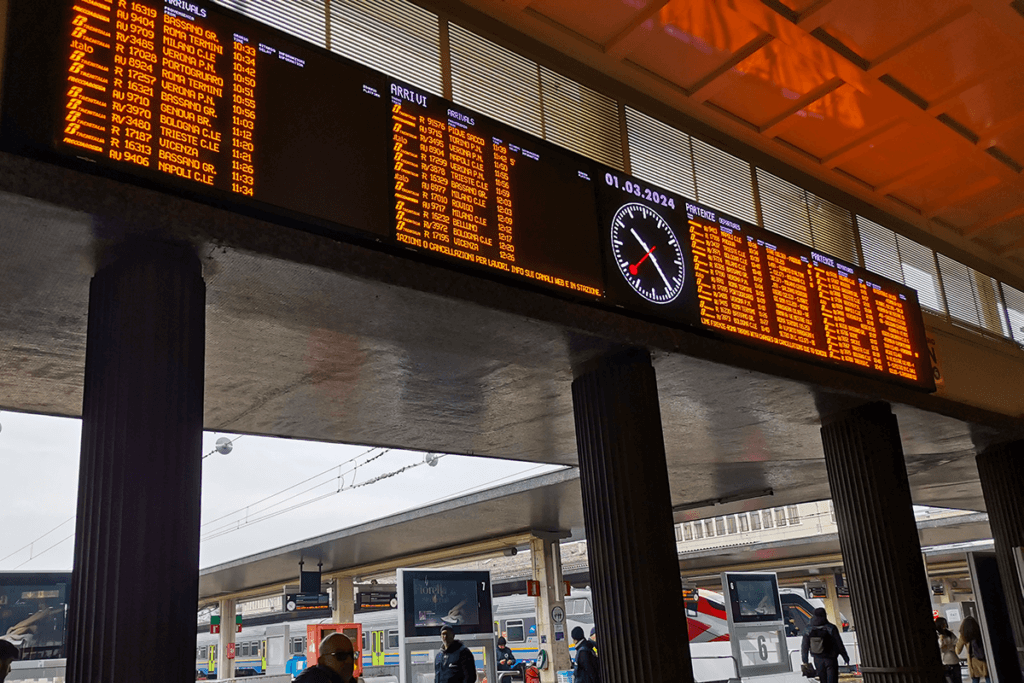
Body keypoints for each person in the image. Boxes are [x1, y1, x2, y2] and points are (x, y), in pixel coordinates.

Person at [801, 608, 849, 683]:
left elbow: (804, 646)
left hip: (817, 659)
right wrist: (845, 657)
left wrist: (805, 661)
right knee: (832, 680)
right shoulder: (831, 628)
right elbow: (839, 644)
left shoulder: (808, 629)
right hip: (831, 659)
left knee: (823, 680)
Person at [293, 633, 360, 683]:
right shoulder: (312, 680)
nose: (349, 660)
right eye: (340, 655)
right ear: (322, 661)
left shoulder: (347, 680)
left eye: (351, 655)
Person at [956, 616, 989, 683]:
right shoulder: (980, 632)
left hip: (973, 661)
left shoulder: (963, 636)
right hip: (983, 659)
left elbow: (957, 651)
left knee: (975, 680)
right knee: (988, 677)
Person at [936, 617, 961, 683]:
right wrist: (942, 641)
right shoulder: (937, 634)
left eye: (945, 623)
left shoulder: (949, 633)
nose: (945, 625)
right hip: (945, 662)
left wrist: (949, 647)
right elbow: (941, 647)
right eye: (943, 623)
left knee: (958, 680)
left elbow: (956, 643)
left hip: (954, 660)